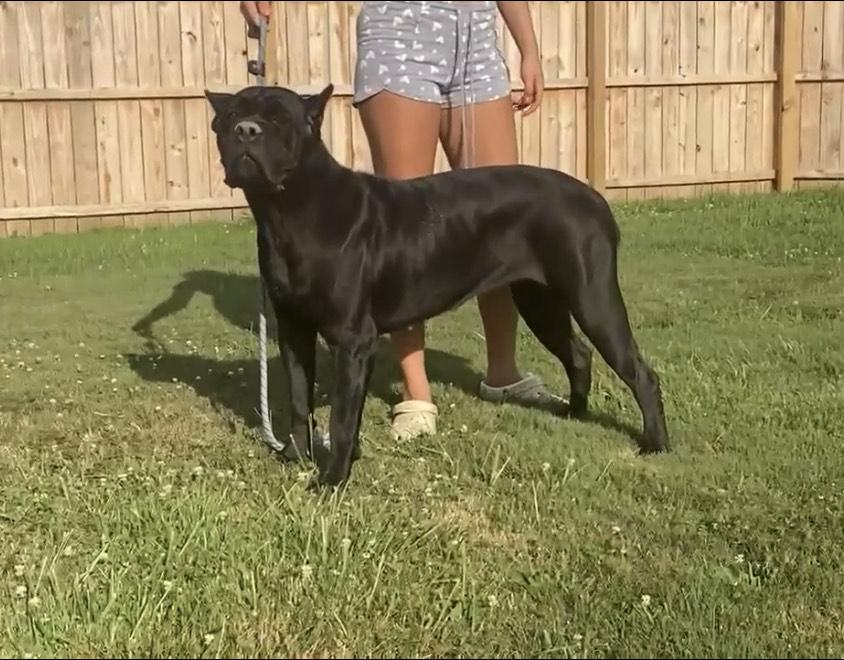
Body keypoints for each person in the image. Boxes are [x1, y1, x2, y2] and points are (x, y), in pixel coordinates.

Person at [241, 1, 561, 441]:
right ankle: (415, 391)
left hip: (476, 39)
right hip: (401, 31)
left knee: (500, 224)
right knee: (404, 232)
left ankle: (503, 372)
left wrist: (529, 48)